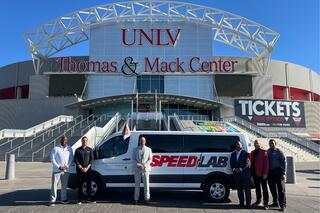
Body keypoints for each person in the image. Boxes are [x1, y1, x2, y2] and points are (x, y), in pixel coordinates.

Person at [49, 136, 73, 206]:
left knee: (64, 186)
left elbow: (71, 158)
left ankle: (64, 199)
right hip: (56, 170)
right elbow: (52, 159)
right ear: (60, 141)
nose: (64, 141)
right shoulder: (55, 148)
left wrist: (67, 166)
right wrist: (59, 167)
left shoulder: (70, 149)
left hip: (66, 170)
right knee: (54, 185)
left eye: (65, 140)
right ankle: (52, 200)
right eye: (62, 140)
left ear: (67, 141)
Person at [230, 140, 251, 208]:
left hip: (245, 175)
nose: (237, 146)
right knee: (239, 190)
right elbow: (231, 163)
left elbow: (247, 163)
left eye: (239, 144)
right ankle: (241, 203)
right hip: (237, 175)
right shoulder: (232, 154)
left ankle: (248, 204)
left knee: (247, 190)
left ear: (241, 145)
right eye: (236, 145)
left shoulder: (246, 153)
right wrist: (234, 169)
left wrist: (240, 169)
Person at [74, 136, 95, 204]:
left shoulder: (90, 149)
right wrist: (81, 167)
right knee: (80, 184)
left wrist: (87, 168)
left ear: (87, 141)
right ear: (81, 141)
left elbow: (91, 160)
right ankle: (80, 199)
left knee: (89, 184)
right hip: (80, 170)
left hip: (88, 170)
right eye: (83, 140)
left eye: (86, 140)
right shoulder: (77, 150)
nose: (84, 141)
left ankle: (89, 198)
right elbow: (76, 160)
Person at [133, 136, 153, 204]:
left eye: (143, 141)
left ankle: (147, 199)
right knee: (137, 185)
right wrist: (139, 165)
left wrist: (144, 165)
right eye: (141, 140)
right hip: (137, 169)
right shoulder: (135, 149)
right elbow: (133, 159)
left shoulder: (149, 149)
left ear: (145, 141)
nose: (142, 142)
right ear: (139, 141)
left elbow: (150, 159)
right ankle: (136, 199)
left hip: (146, 169)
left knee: (146, 185)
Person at [268, 139, 286, 212]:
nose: (271, 144)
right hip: (270, 172)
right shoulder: (268, 151)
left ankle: (283, 205)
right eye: (270, 143)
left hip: (278, 172)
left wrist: (283, 173)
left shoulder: (279, 151)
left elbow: (284, 162)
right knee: (272, 189)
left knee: (281, 190)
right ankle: (275, 203)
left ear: (275, 144)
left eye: (272, 143)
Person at [250, 140, 269, 210]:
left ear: (259, 144)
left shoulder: (264, 152)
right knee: (257, 188)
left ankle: (266, 203)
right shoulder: (252, 152)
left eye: (257, 143)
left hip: (262, 174)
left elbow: (266, 164)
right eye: (255, 143)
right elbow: (251, 164)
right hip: (255, 173)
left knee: (264, 189)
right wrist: (251, 174)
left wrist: (265, 173)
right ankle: (258, 200)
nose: (256, 144)